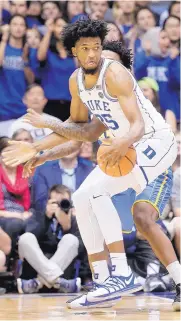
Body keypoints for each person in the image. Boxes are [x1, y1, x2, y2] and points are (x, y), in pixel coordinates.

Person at [2, 20, 179, 311]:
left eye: (97, 47)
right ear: (74, 52)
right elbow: (77, 130)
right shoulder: (77, 82)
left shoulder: (116, 74)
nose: (94, 54)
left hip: (153, 142)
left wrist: (122, 143)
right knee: (83, 197)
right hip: (122, 147)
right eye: (86, 48)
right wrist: (36, 149)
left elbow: (137, 125)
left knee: (106, 197)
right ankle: (103, 280)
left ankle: (121, 273)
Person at [17, 184, 82, 294]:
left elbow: (80, 249)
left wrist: (67, 227)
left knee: (71, 239)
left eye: (63, 202)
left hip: (63, 269)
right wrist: (46, 218)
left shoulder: (74, 220)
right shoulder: (38, 215)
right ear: (48, 202)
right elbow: (30, 239)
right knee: (26, 238)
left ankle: (37, 282)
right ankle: (57, 281)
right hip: (37, 267)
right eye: (55, 203)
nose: (59, 206)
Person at [0, 14, 35, 134]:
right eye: (14, 24)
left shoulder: (29, 50)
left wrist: (25, 61)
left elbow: (31, 81)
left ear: (25, 28)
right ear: (9, 26)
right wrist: (4, 40)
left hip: (23, 109)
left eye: (21, 25)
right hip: (3, 108)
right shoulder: (3, 48)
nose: (18, 28)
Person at [36, 17, 76, 121]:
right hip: (50, 103)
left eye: (64, 26)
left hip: (71, 103)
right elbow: (40, 56)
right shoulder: (48, 51)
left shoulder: (73, 53)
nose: (62, 29)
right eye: (58, 26)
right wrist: (48, 31)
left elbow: (80, 68)